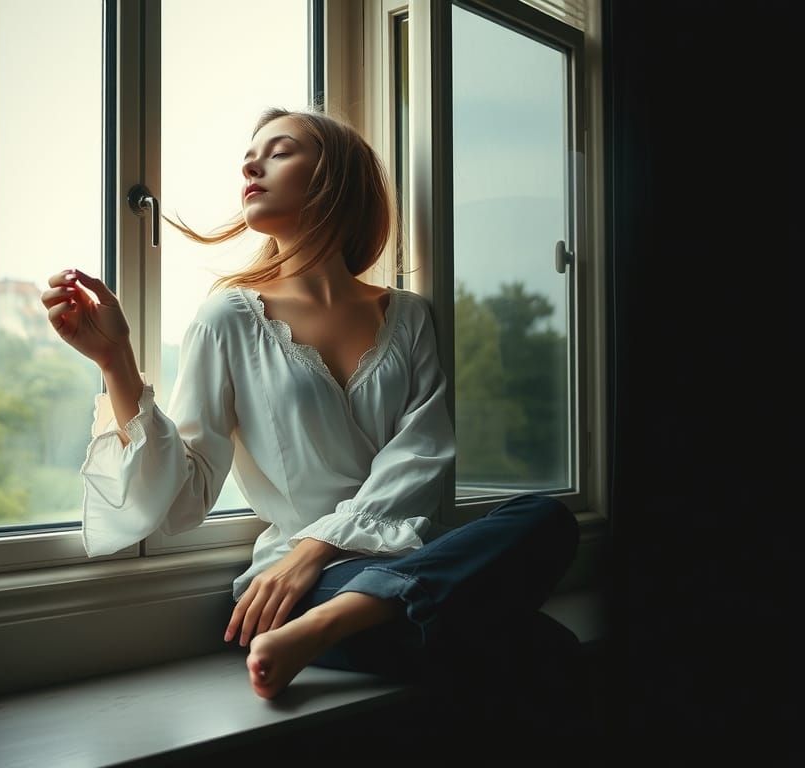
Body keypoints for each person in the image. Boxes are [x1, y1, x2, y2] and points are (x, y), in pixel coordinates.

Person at [41, 107, 578, 702]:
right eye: (250, 157)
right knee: (543, 645)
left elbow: (422, 454)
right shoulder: (229, 317)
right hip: (295, 591)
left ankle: (325, 628)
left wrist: (315, 548)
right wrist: (115, 359)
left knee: (546, 520)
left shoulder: (409, 316)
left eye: (279, 152)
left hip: (400, 561)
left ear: (336, 177)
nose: (251, 166)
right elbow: (187, 495)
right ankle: (332, 618)